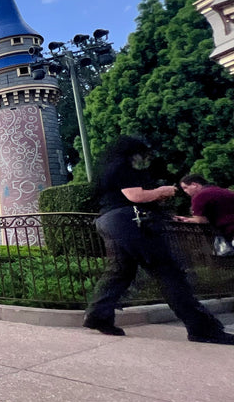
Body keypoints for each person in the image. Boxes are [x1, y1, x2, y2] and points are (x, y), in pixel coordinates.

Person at [84, 137, 234, 344]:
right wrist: (162, 192)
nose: (143, 158)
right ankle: (202, 328)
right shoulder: (123, 167)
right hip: (130, 221)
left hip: (109, 220)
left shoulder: (107, 171)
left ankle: (98, 314)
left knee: (120, 271)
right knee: (168, 272)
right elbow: (135, 196)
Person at [176, 174, 234, 245]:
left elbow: (201, 220)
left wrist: (187, 220)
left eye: (185, 187)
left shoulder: (199, 196)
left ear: (194, 184)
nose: (185, 191)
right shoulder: (223, 190)